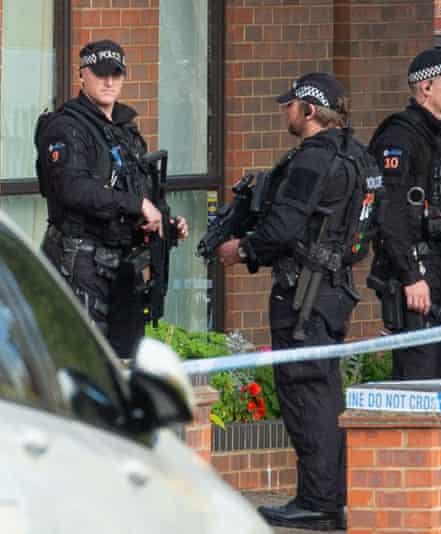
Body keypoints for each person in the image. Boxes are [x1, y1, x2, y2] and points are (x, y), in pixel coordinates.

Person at [217, 72, 381, 531]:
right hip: (334, 288)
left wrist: (242, 250)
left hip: (303, 294)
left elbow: (283, 228)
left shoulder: (312, 160)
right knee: (326, 392)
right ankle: (331, 495)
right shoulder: (357, 155)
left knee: (305, 392)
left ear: (309, 110)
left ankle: (318, 501)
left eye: (290, 105)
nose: (285, 112)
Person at [37, 39, 187, 359]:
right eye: (100, 73)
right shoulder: (65, 127)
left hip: (120, 265)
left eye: (116, 74)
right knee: (86, 362)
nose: (108, 82)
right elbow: (71, 187)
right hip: (79, 261)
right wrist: (135, 206)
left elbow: (139, 189)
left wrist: (163, 221)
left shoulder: (124, 129)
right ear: (82, 76)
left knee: (125, 359)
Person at [368, 48, 441, 380]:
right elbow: (389, 212)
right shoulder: (400, 137)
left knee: (438, 368)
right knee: (418, 372)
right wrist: (410, 275)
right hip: (414, 269)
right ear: (427, 87)